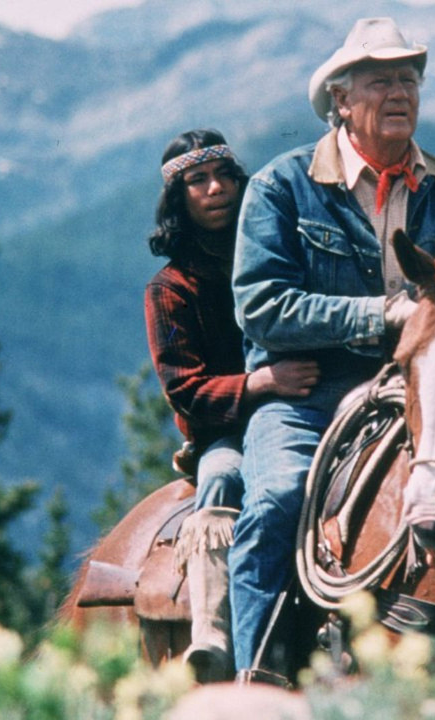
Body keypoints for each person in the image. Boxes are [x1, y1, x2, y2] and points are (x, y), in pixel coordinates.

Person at [228, 18, 435, 683]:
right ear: (340, 101)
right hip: (307, 395)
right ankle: (256, 680)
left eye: (409, 78)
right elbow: (260, 306)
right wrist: (383, 315)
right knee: (277, 503)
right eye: (381, 80)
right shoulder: (282, 187)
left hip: (427, 401)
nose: (400, 91)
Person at [143, 129, 319, 683]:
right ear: (179, 198)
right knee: (222, 476)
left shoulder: (278, 254)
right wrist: (262, 382)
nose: (216, 189)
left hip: (303, 409)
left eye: (225, 176)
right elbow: (187, 392)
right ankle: (214, 636)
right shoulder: (171, 289)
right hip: (226, 430)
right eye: (198, 180)